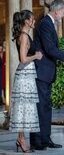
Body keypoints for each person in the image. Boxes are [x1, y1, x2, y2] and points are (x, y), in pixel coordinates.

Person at [30, 0, 64, 150]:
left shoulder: (49, 24)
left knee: (46, 106)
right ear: (56, 11)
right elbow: (49, 48)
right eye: (63, 13)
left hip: (47, 72)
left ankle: (45, 138)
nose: (63, 16)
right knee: (40, 107)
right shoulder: (45, 24)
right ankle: (37, 141)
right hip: (41, 72)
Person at [9, 10, 43, 153]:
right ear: (27, 21)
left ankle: (20, 138)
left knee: (24, 109)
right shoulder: (23, 36)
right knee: (23, 108)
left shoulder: (25, 35)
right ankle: (22, 140)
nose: (34, 21)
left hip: (27, 75)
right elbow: (23, 59)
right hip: (24, 76)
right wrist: (36, 55)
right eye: (33, 19)